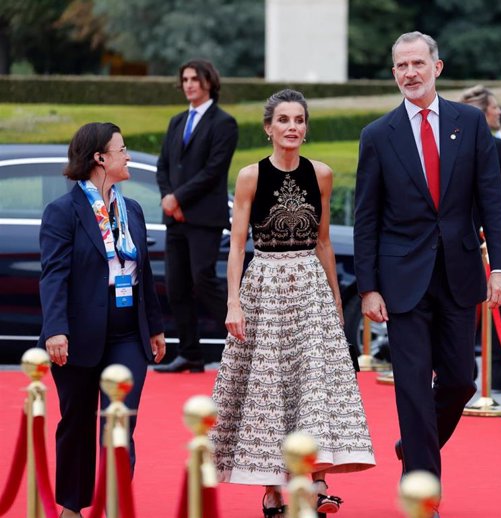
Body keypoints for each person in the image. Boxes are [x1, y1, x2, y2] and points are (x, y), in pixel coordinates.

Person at [354, 32, 501, 515]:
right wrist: (369, 287)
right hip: (402, 281)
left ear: (437, 68)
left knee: (461, 381)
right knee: (412, 385)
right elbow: (367, 217)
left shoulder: (470, 123)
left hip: (460, 274)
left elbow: (492, 200)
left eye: (418, 63)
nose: (409, 73)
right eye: (401, 65)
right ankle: (423, 487)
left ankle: (415, 446)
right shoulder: (378, 135)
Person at [210, 89, 375, 518]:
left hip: (309, 287)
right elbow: (237, 246)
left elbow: (322, 242)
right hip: (264, 286)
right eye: (283, 120)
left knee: (313, 385)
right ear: (268, 128)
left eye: (299, 120)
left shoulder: (320, 173)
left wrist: (336, 301)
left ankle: (318, 482)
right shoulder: (250, 176)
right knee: (269, 387)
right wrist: (233, 303)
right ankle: (271, 491)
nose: (292, 128)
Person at [39, 122, 166, 518]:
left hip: (128, 332)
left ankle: (114, 504)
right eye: (122, 150)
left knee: (119, 422)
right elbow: (54, 274)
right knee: (76, 422)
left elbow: (142, 276)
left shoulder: (132, 210)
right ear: (100, 158)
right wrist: (56, 329)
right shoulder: (63, 212)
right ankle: (73, 507)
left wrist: (155, 326)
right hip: (78, 332)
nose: (127, 156)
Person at [155, 59, 238, 373]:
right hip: (175, 218)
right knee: (176, 287)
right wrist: (167, 197)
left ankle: (243, 346)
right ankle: (190, 354)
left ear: (209, 82)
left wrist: (178, 197)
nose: (189, 84)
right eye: (185, 79)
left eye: (195, 79)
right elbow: (164, 165)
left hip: (204, 218)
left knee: (203, 281)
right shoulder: (177, 121)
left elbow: (213, 171)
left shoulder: (224, 123)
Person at [459, 85, 501, 392]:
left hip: (484, 235)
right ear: (483, 111)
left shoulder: (477, 144)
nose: (500, 112)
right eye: (495, 108)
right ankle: (498, 365)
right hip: (489, 238)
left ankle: (495, 362)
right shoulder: (493, 149)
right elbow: (498, 200)